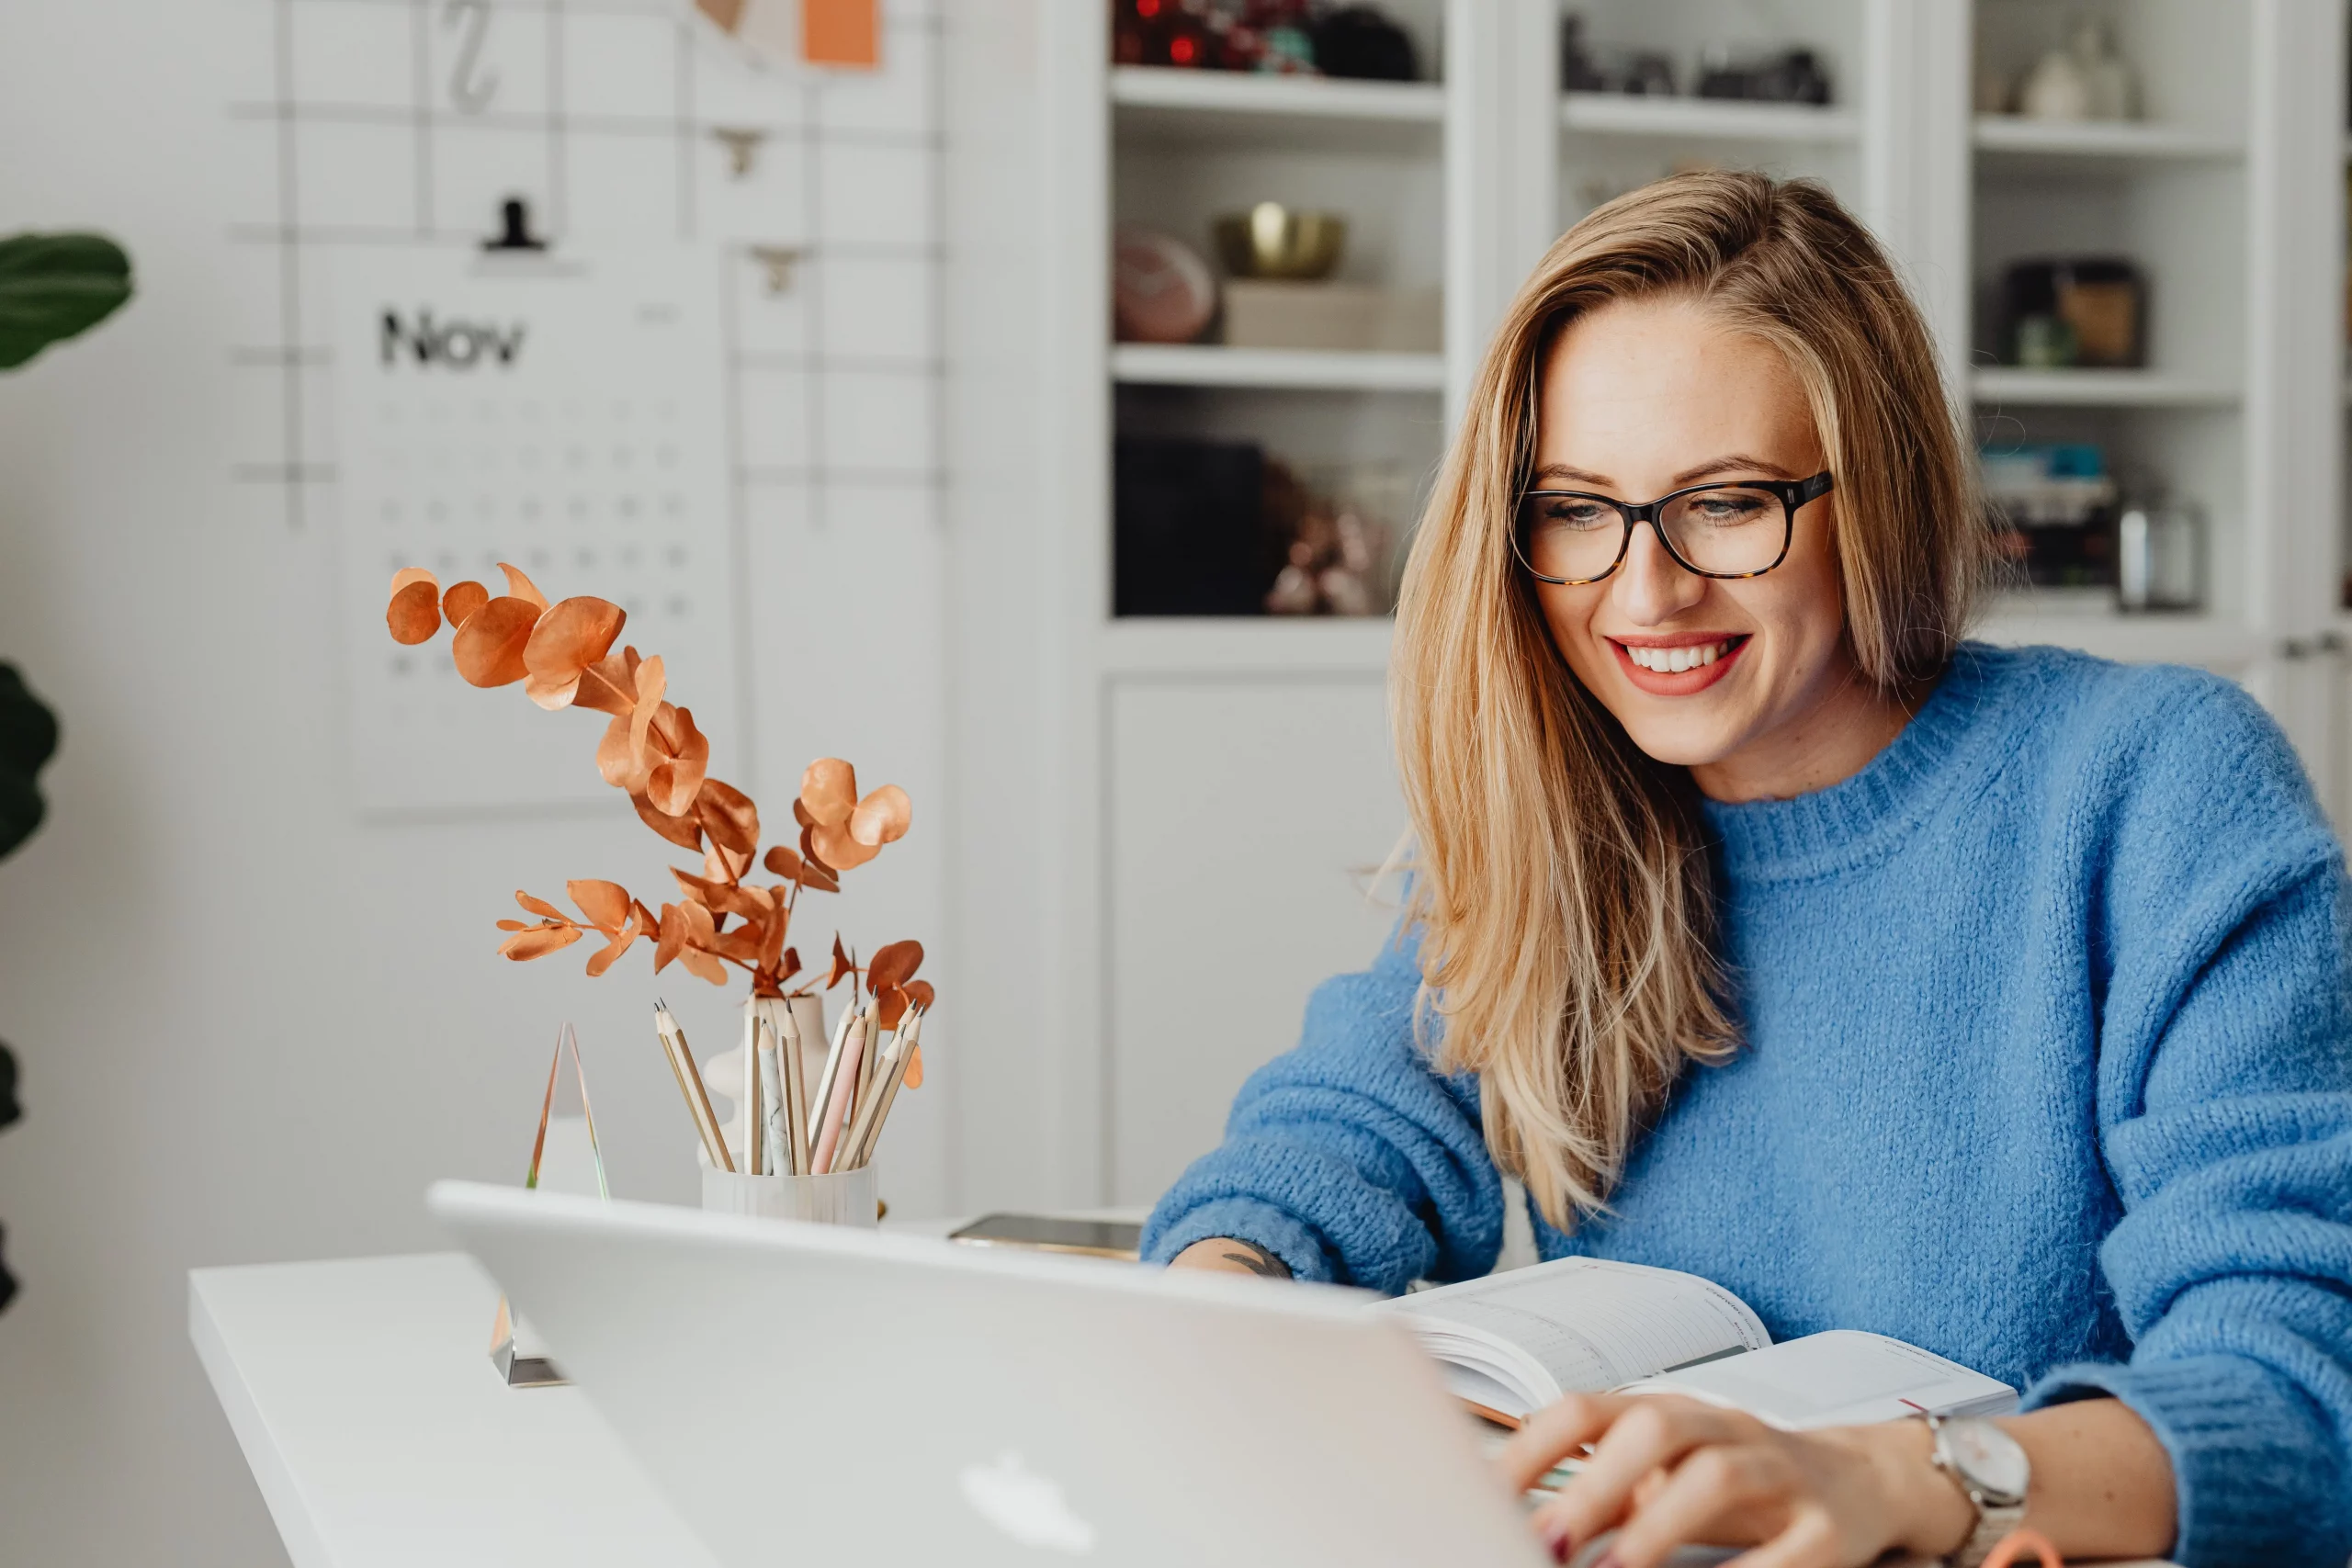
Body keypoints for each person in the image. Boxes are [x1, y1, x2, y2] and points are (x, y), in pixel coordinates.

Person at [1142, 171, 2352, 1568]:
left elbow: (2298, 1391)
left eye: (1723, 503)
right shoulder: (1568, 806)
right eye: (1578, 509)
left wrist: (1903, 1480)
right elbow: (1336, 1137)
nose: (1643, 593)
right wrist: (1214, 1305)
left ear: (1874, 492)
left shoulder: (2152, 786)